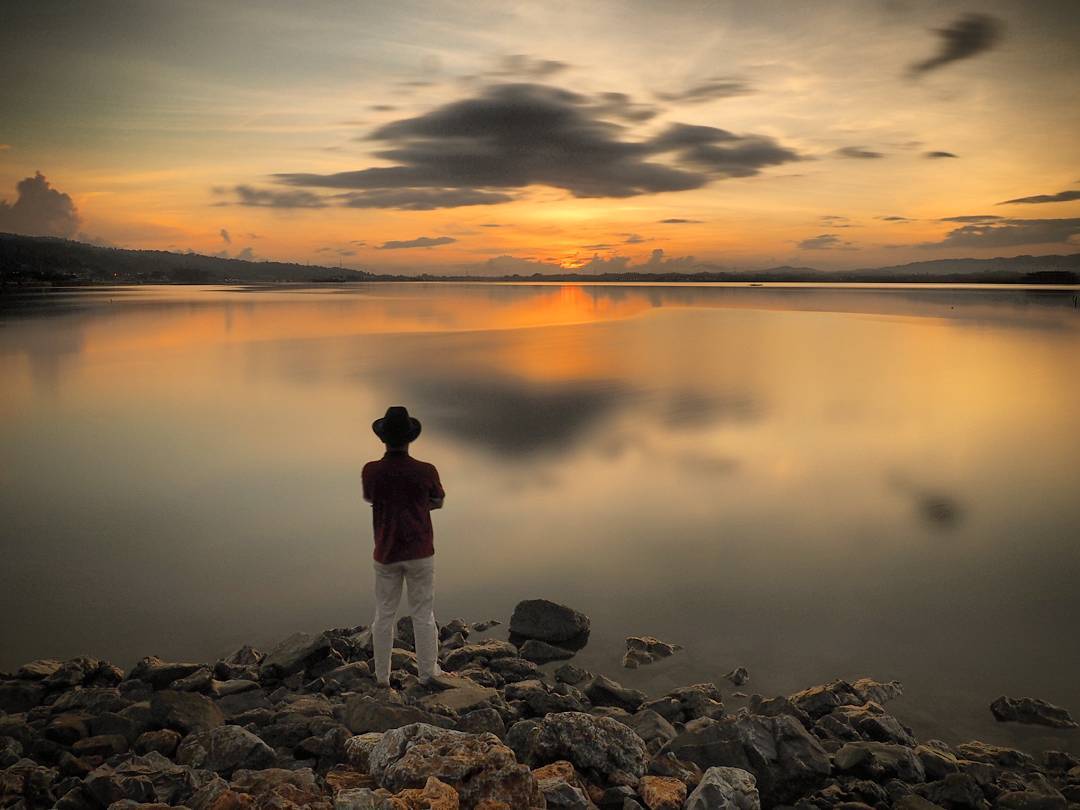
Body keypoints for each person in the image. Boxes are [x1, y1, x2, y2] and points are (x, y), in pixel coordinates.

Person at [362, 405, 446, 687]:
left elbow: (370, 498)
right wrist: (420, 506)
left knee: (384, 614)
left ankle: (382, 677)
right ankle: (427, 674)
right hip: (420, 550)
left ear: (383, 438)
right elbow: (438, 501)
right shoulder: (426, 470)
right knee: (423, 614)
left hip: (386, 552)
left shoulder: (371, 471)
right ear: (410, 439)